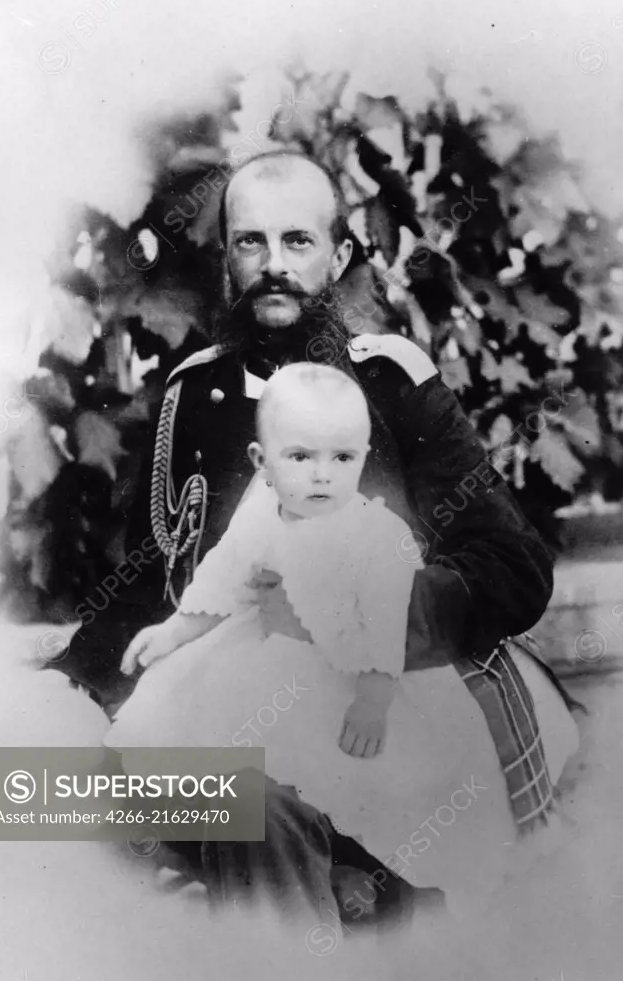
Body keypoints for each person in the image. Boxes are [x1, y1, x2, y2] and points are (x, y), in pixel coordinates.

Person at [51, 149, 579, 923]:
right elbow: (150, 580)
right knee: (18, 794)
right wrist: (63, 683)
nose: (272, 266)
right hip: (220, 695)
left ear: (339, 254)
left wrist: (344, 616)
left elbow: (512, 567)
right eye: (250, 242)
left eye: (297, 242)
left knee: (248, 802)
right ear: (226, 259)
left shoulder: (388, 380)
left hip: (381, 705)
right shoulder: (194, 391)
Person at [105, 361, 577, 909]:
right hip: (259, 667)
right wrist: (172, 632)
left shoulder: (374, 533)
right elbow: (224, 575)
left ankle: (361, 878)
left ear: (362, 457)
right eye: (300, 458)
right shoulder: (262, 509)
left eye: (343, 458)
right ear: (264, 463)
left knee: (339, 776)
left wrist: (373, 703)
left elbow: (385, 625)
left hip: (345, 675)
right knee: (209, 753)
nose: (323, 476)